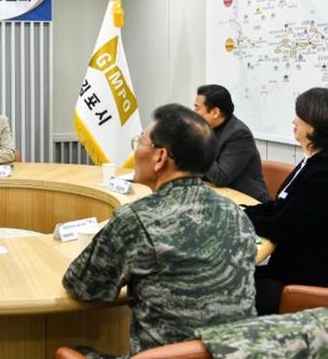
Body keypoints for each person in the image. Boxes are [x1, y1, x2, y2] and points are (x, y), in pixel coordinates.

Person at [62, 104, 257, 359]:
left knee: (74, 349)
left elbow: (82, 287)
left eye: (139, 142)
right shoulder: (235, 213)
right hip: (234, 354)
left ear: (160, 157)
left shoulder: (136, 219)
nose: (135, 151)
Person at [244, 87, 328, 315]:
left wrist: (242, 216)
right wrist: (246, 209)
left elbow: (279, 228)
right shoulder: (311, 161)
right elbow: (281, 205)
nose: (293, 120)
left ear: (313, 125)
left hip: (302, 279)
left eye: (299, 115)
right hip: (288, 267)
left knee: (220, 284)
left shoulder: (322, 175)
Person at [193, 84, 272, 203]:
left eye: (197, 109)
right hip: (217, 196)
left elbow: (220, 178)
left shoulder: (239, 134)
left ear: (215, 112)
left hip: (248, 202)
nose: (193, 113)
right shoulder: (206, 128)